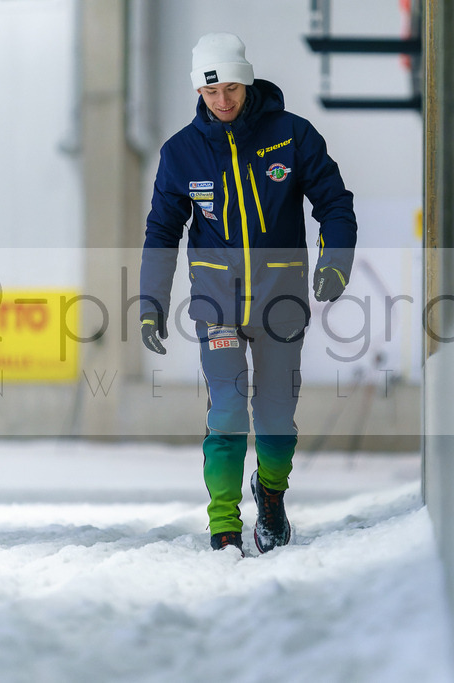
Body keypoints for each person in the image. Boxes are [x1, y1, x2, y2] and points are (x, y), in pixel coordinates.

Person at [139, 32, 357, 555]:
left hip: (280, 302)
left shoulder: (292, 136)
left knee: (277, 416)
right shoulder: (181, 154)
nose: (223, 101)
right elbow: (162, 234)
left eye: (231, 88)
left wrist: (335, 265)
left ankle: (273, 495)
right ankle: (223, 523)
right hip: (216, 303)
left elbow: (335, 204)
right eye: (211, 93)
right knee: (230, 408)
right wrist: (151, 304)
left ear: (246, 80)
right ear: (199, 92)